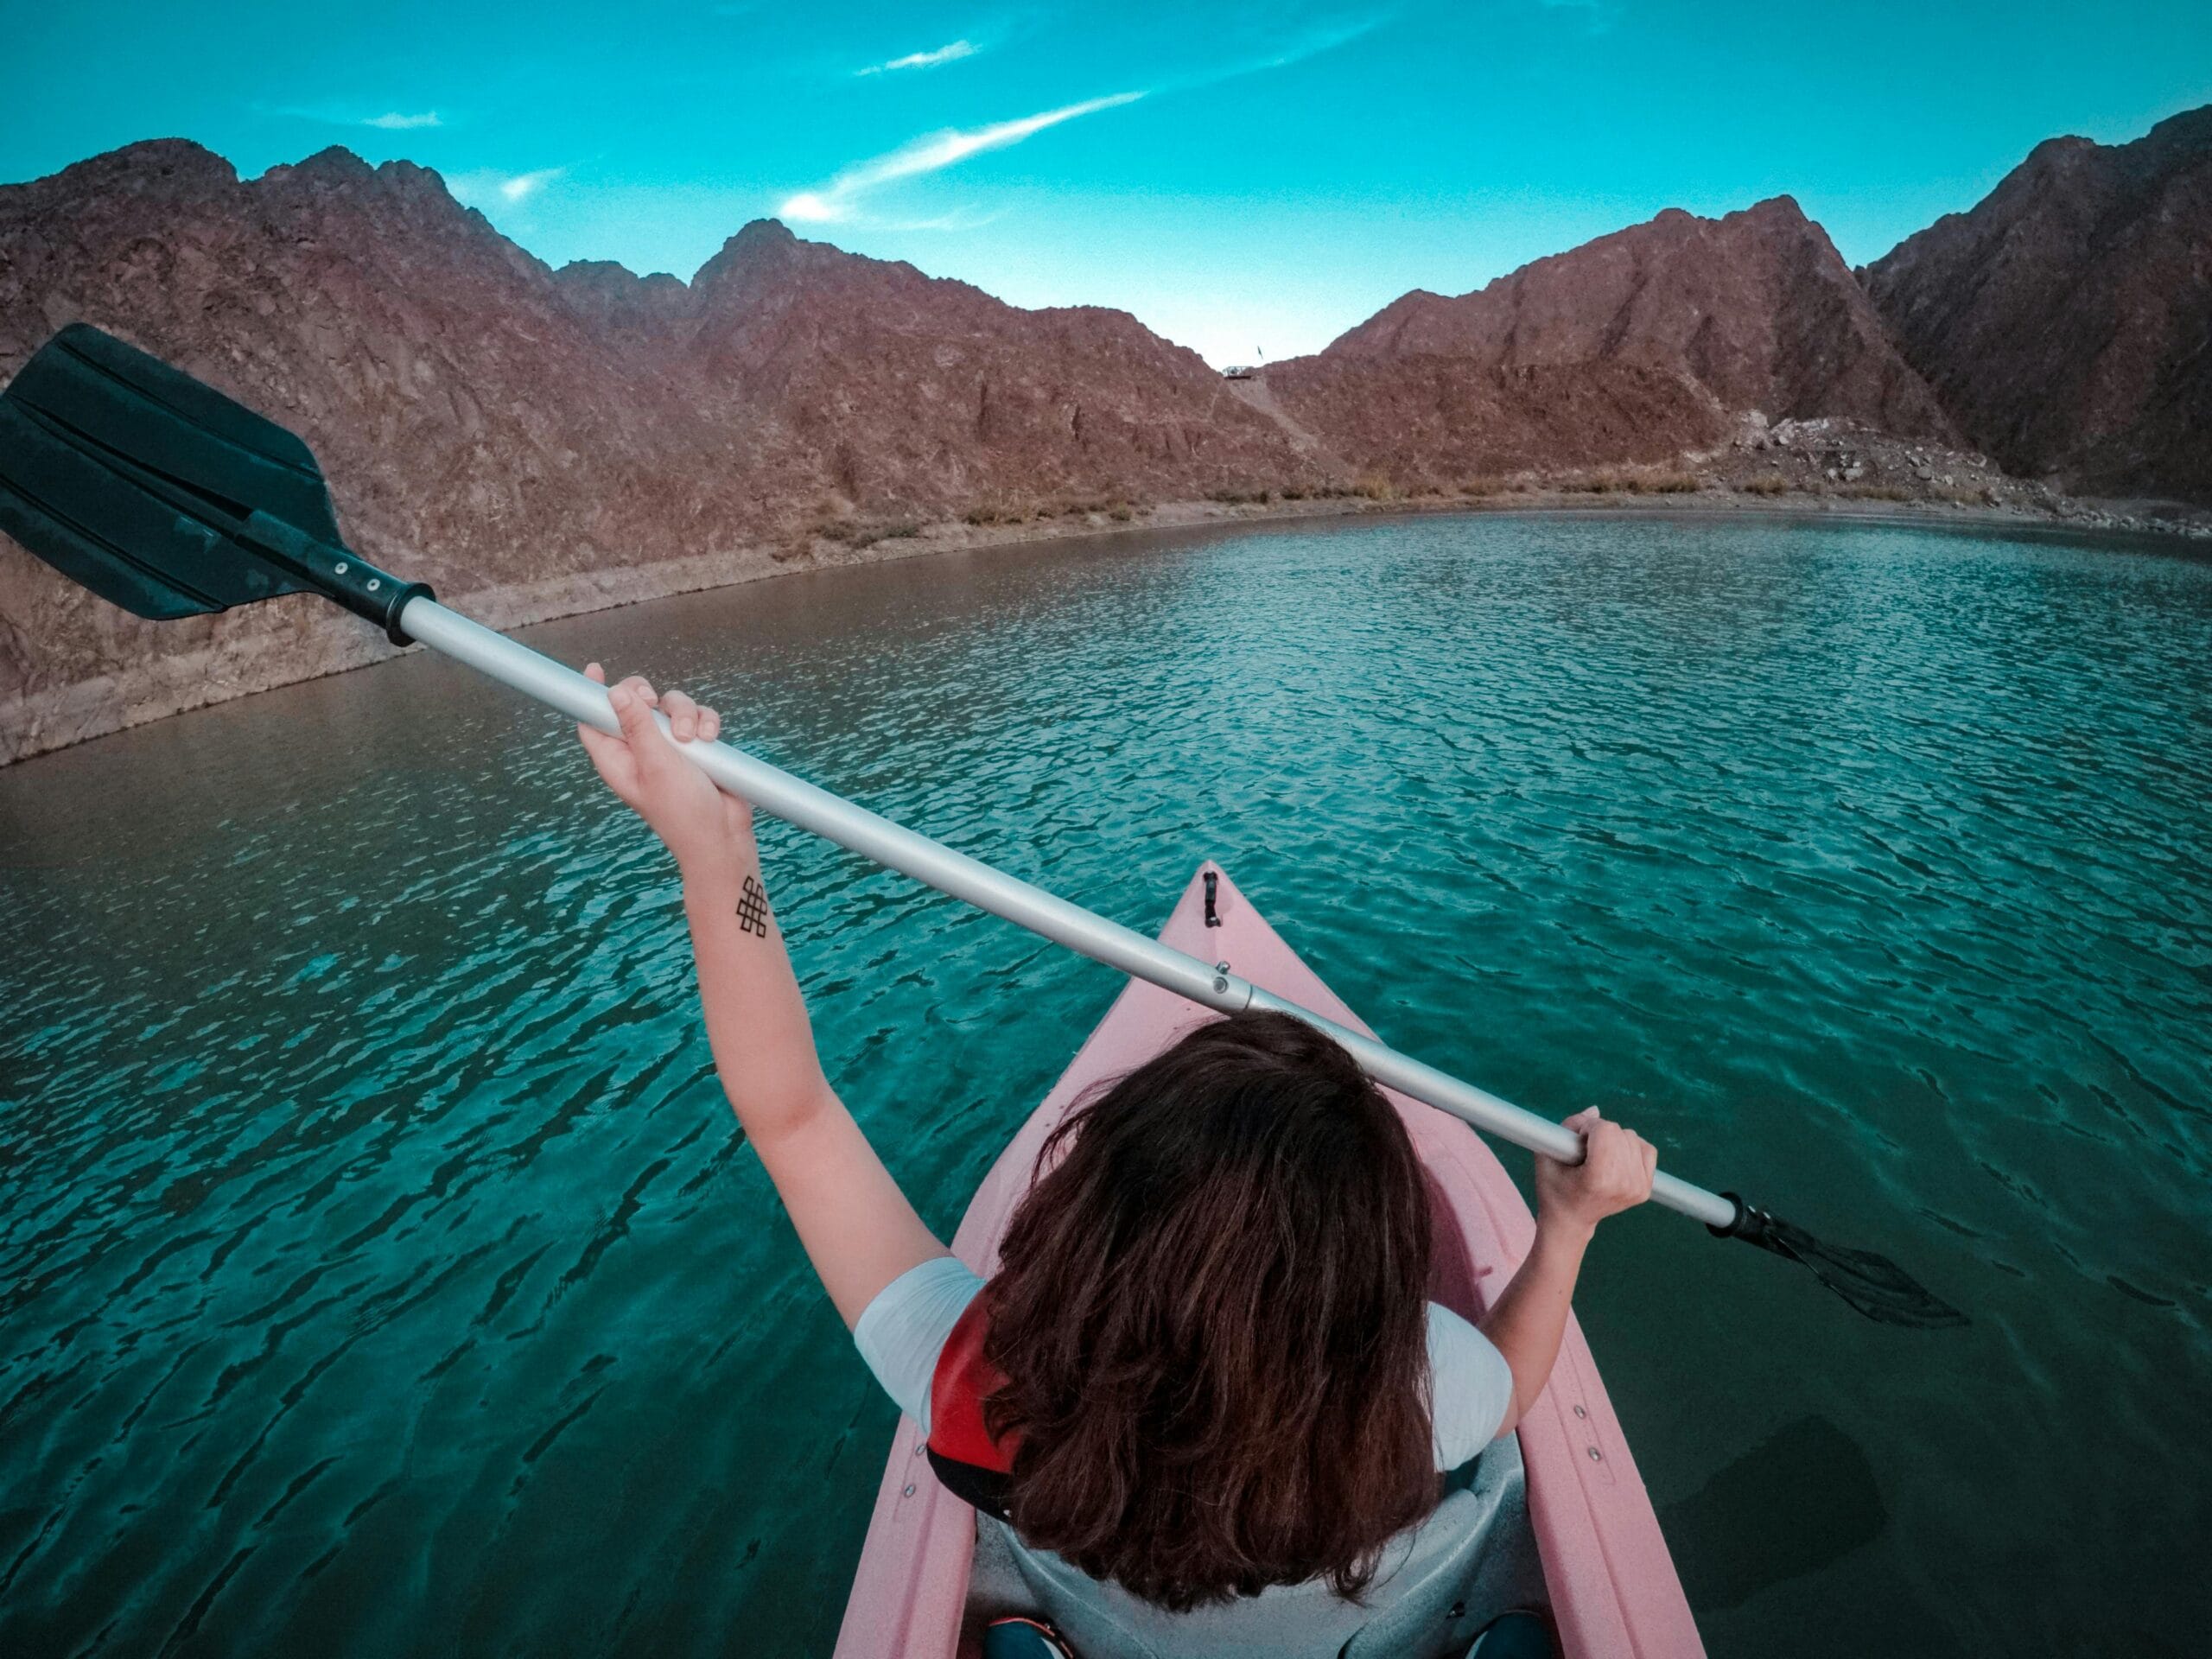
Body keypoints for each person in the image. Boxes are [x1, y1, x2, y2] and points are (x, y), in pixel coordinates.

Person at [576, 669, 1658, 1659]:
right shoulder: (1418, 1389)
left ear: (1089, 1219)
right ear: (1366, 1282)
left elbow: (793, 1117)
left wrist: (716, 860)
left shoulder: (977, 1385)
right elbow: (1517, 1382)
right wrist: (1567, 1225)